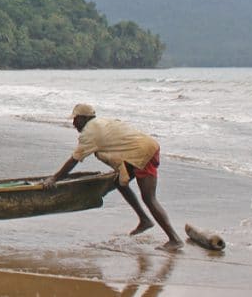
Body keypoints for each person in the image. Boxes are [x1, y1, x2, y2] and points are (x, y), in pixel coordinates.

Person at [42, 103, 183, 251]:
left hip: (142, 152)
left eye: (75, 119)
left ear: (84, 118)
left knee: (149, 198)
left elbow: (74, 160)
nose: (73, 123)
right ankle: (145, 219)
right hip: (143, 148)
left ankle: (175, 239)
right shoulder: (101, 123)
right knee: (119, 182)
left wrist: (54, 178)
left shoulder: (90, 133)